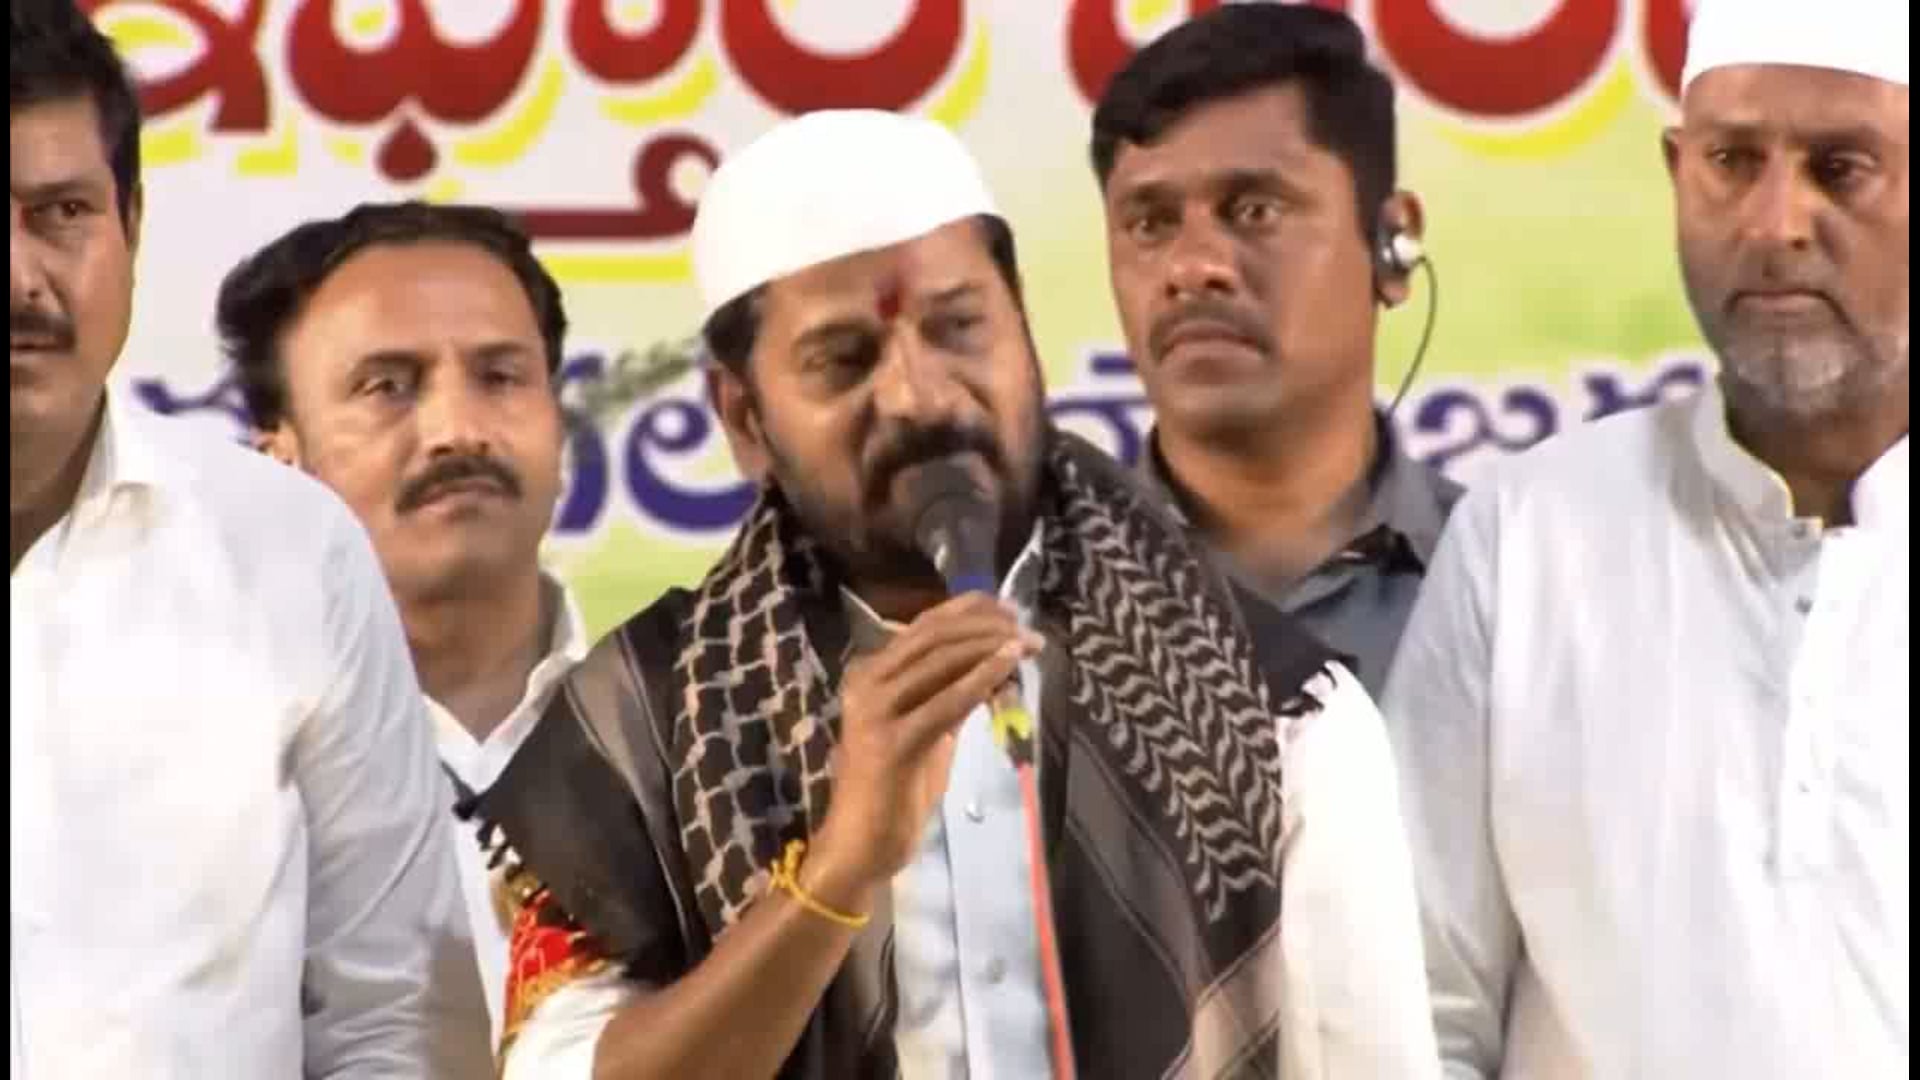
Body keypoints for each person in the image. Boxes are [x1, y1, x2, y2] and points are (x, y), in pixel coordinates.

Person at [473, 109, 1439, 1079]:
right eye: (843, 359)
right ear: (745, 418)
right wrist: (837, 875)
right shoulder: (638, 728)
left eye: (959, 328)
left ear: (1025, 330)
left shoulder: (1274, 707)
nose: (920, 395)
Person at [1383, 1, 1908, 1076]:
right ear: (1677, 171)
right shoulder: (1527, 541)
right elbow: (1412, 1009)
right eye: (1731, 162)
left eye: (1840, 169)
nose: (1774, 223)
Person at [9, 4, 471, 1075]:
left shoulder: (289, 552)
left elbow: (396, 1016)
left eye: (61, 212)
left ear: (131, 227)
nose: (20, 279)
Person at [216, 200, 584, 1073]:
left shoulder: (691, 723)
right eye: (388, 386)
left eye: (501, 376)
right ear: (280, 462)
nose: (459, 430)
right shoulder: (202, 769)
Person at [1091, 4, 1461, 696]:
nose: (1192, 267)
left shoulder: (1513, 582)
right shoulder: (1027, 605)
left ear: (1394, 244)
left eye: (1255, 210)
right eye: (1150, 223)